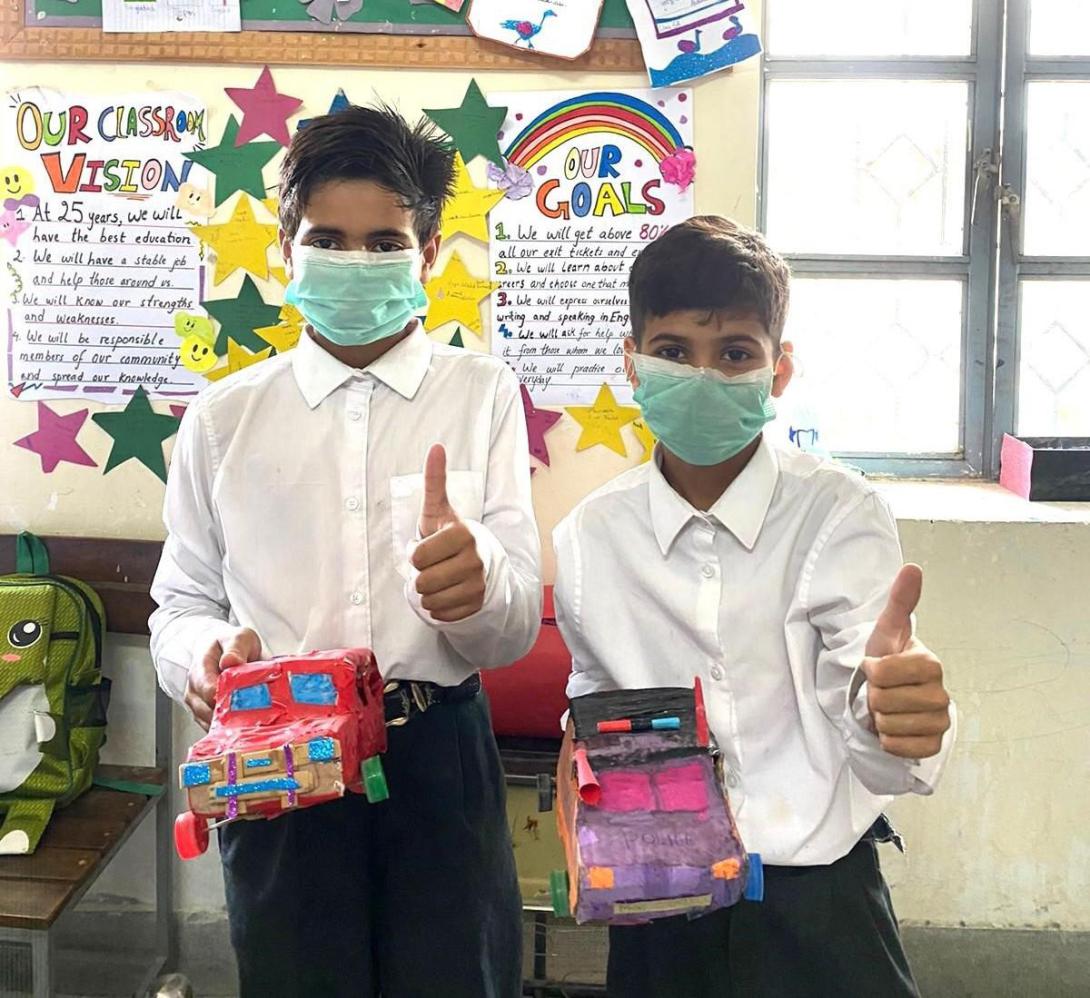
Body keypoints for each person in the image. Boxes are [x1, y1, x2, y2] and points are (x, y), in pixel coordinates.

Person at [149, 103, 541, 998]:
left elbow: (512, 626)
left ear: (430, 254)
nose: (356, 262)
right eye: (329, 238)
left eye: (384, 242)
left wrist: (478, 592)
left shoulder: (482, 396)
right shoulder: (223, 419)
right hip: (276, 761)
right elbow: (180, 602)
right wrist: (201, 659)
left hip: (437, 755)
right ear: (288, 249)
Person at [552, 216, 956, 997]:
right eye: (673, 352)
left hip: (816, 901)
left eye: (735, 353)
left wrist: (897, 717)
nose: (703, 375)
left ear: (779, 371)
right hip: (660, 897)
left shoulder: (837, 512)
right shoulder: (589, 539)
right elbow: (597, 703)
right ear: (631, 364)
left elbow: (868, 711)